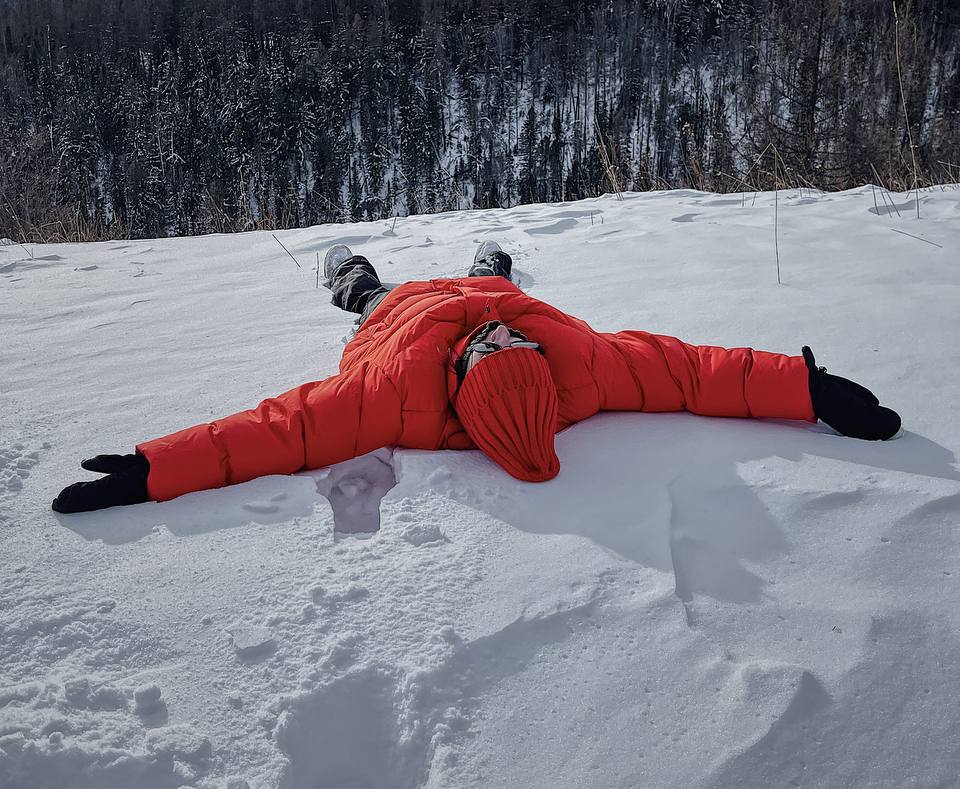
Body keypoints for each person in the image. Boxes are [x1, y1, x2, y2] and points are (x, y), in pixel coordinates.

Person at [52, 242, 902, 514]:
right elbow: (692, 372)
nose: (493, 341)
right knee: (493, 278)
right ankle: (492, 261)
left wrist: (155, 467)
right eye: (507, 346)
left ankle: (350, 271)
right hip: (481, 288)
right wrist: (809, 389)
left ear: (463, 386)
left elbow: (279, 431)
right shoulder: (583, 369)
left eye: (487, 351)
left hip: (403, 312)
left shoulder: (389, 401)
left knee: (369, 290)